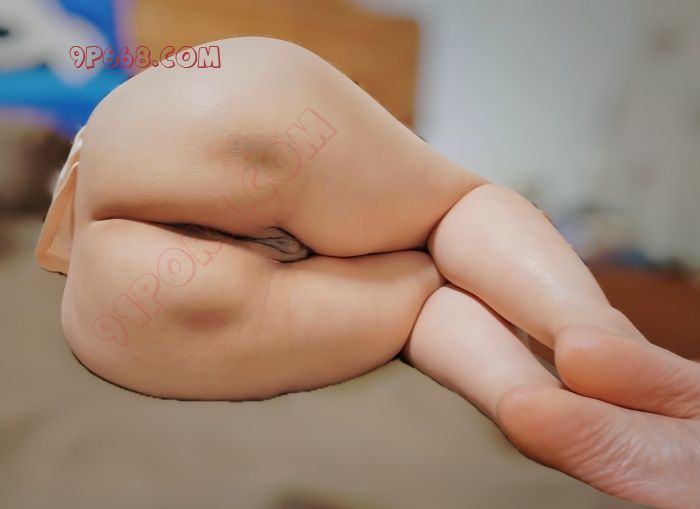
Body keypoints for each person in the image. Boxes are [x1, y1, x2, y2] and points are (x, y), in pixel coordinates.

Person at [35, 37, 699, 508]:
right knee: (456, 210)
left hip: (120, 309)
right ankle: (589, 329)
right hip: (212, 107)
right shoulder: (355, 154)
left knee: (418, 290)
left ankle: (522, 396)